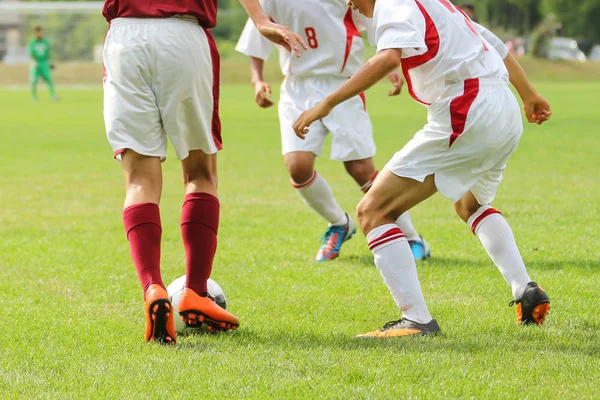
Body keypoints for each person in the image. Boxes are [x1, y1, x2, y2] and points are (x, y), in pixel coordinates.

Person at [294, 0, 552, 337]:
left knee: (373, 210)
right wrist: (529, 95)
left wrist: (326, 103)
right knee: (470, 205)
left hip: (467, 106)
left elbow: (387, 57)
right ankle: (525, 290)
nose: (349, 3)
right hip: (501, 108)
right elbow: (497, 47)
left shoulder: (391, 3)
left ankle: (416, 321)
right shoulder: (438, 3)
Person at [102, 0, 306, 344]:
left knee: (139, 180)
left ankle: (153, 287)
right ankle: (195, 291)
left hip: (125, 38)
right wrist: (259, 20)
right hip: (183, 35)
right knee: (200, 174)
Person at [236, 0, 430, 262]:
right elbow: (259, 30)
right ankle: (339, 223)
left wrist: (390, 64)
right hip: (298, 87)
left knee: (361, 169)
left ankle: (412, 238)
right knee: (297, 166)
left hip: (344, 83)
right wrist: (257, 79)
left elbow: (371, 17)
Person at [29, 27, 58, 102]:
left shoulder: (45, 42)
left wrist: (50, 63)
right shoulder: (32, 42)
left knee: (49, 79)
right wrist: (34, 62)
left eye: (42, 32)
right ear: (36, 33)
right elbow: (31, 54)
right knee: (34, 80)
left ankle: (53, 95)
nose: (41, 34)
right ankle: (34, 97)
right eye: (39, 32)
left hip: (44, 62)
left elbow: (48, 53)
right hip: (35, 62)